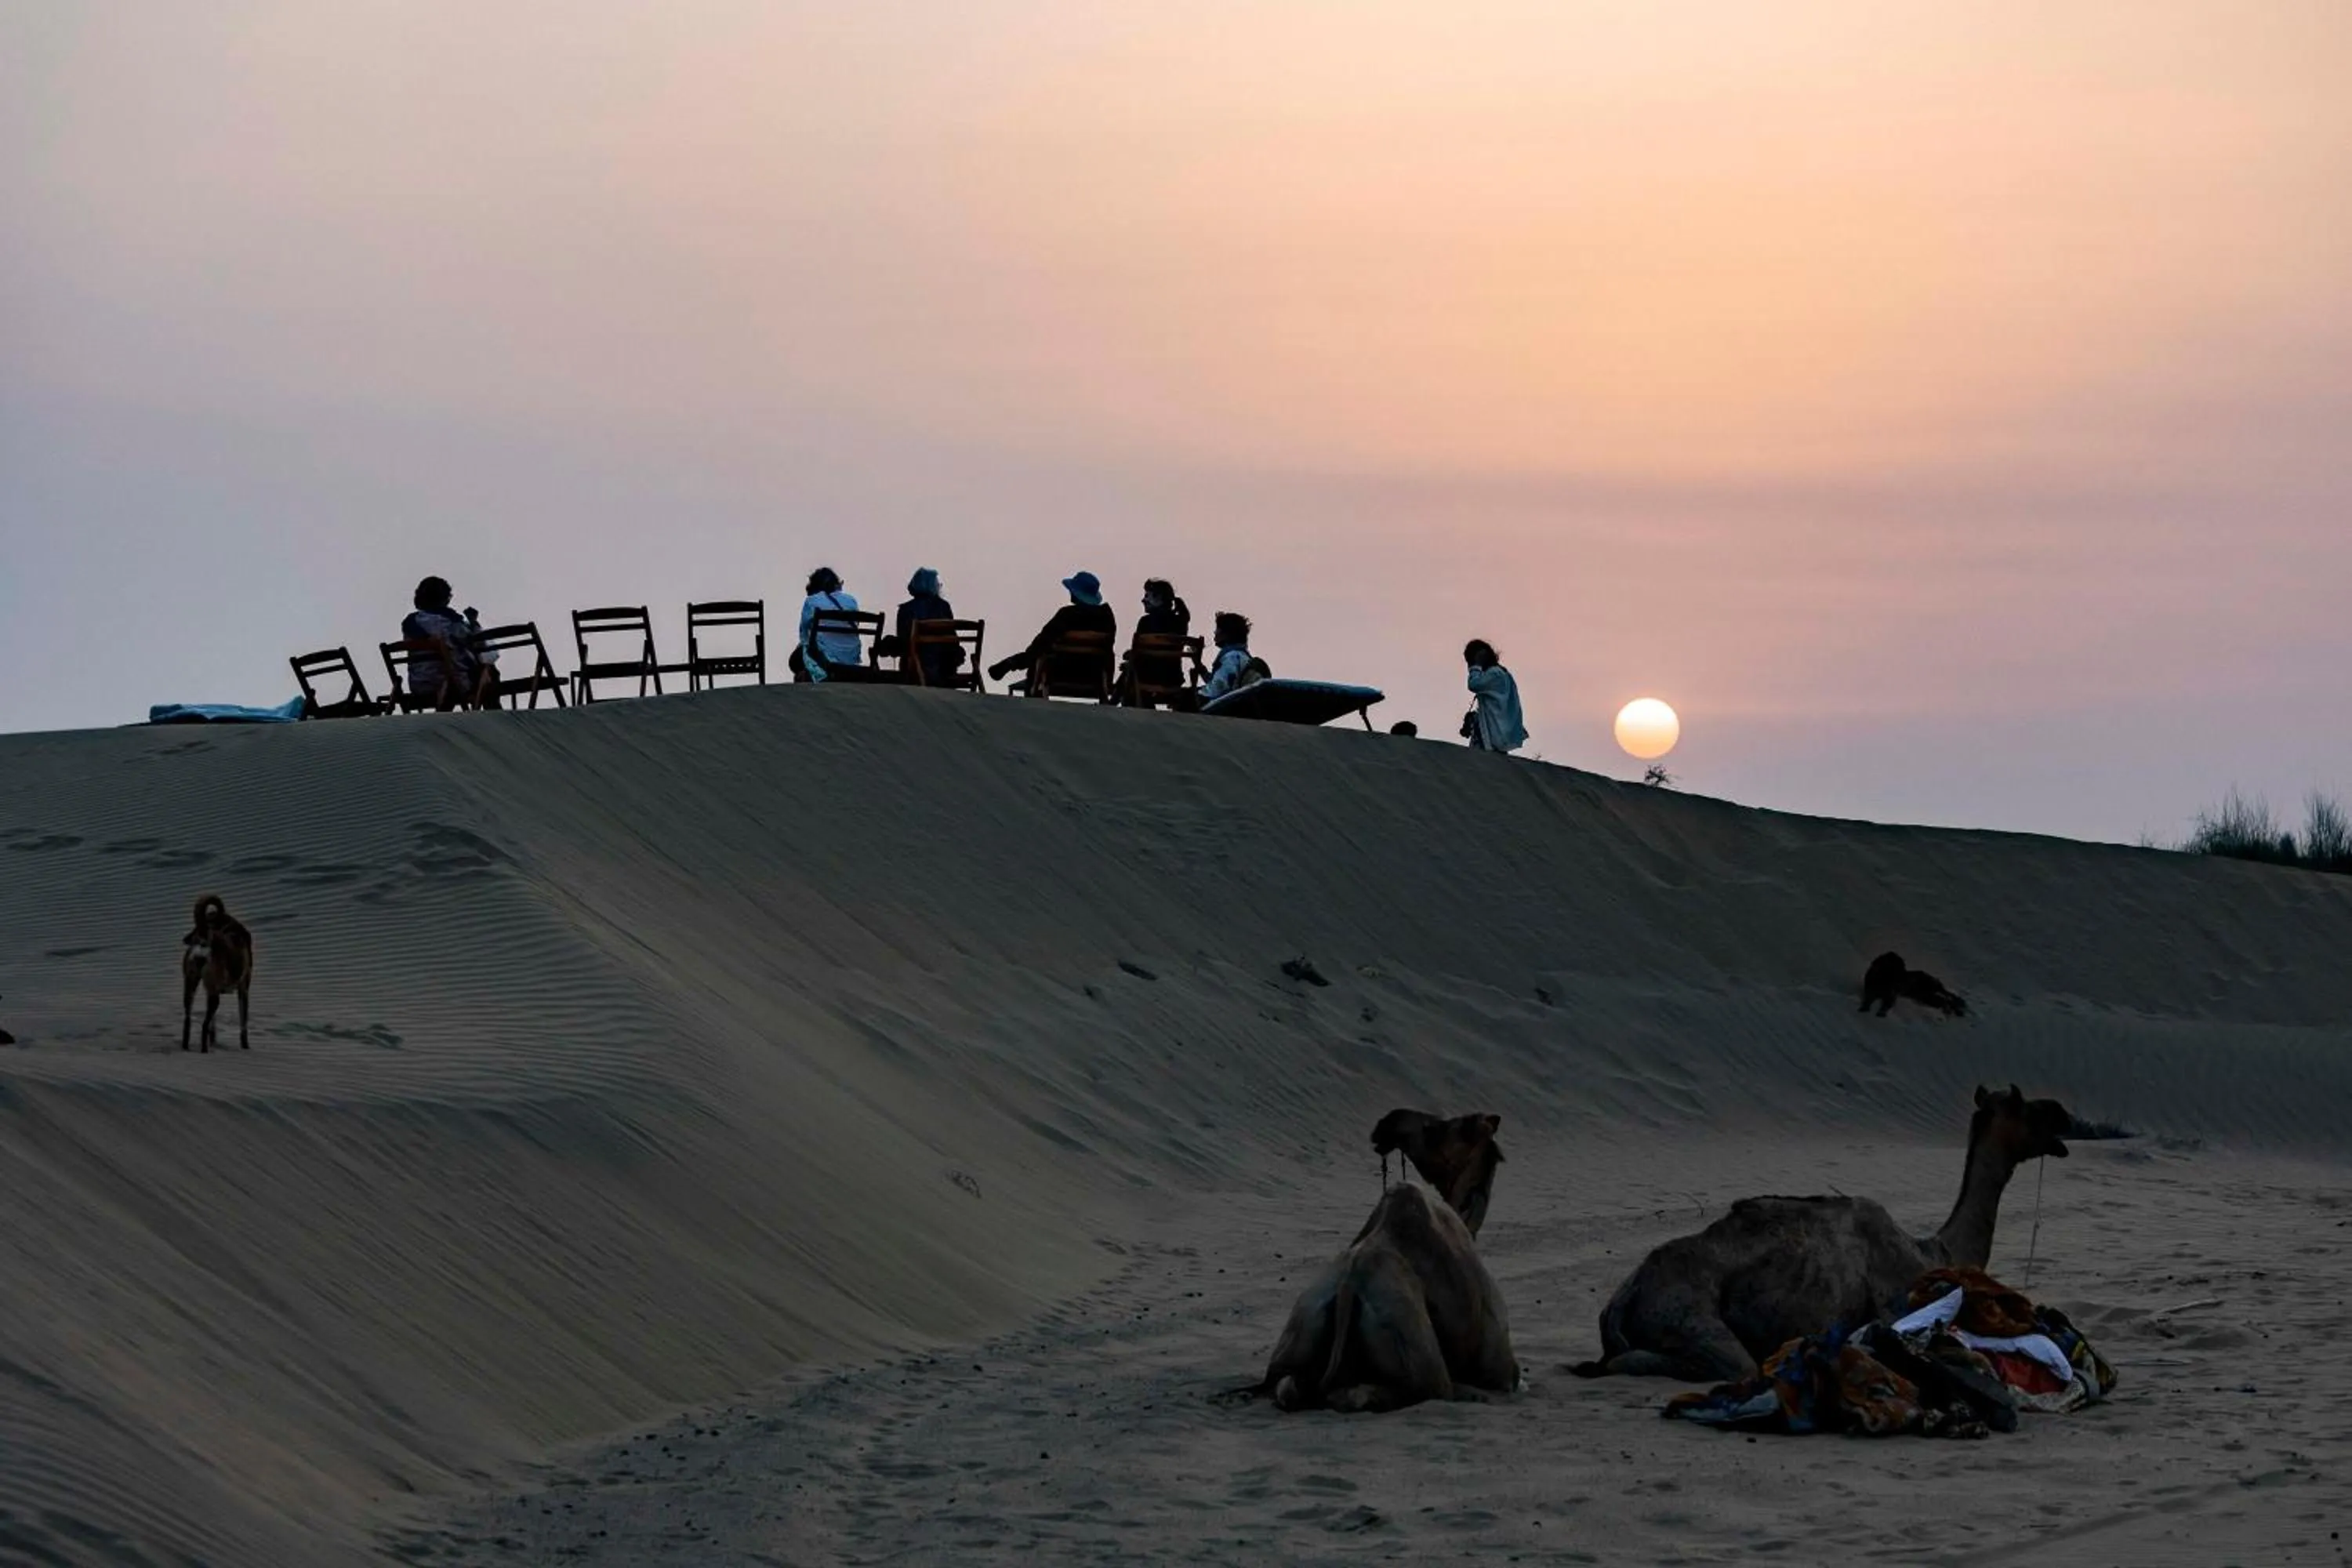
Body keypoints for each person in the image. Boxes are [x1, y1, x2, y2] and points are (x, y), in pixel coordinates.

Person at [986, 571, 1116, 691]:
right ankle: (1016, 662)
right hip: (1094, 673)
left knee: (1040, 651)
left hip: (1061, 672)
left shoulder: (1067, 615)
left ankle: (1015, 662)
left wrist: (1022, 659)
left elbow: (1042, 642)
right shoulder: (1107, 618)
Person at [399, 575, 497, 710]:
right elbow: (476, 646)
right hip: (451, 683)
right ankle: (495, 717)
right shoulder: (452, 622)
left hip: (420, 685)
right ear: (445, 598)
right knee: (489, 671)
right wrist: (474, 623)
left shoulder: (410, 623)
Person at [1117, 578, 1196, 705]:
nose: (1143, 600)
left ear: (1159, 598)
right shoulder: (1181, 622)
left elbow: (1142, 654)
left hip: (1149, 677)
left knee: (1130, 670)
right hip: (1173, 678)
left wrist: (1130, 656)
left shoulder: (1146, 622)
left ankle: (1113, 703)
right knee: (1132, 669)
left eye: (1147, 596)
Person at [893, 567, 964, 686]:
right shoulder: (944, 607)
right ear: (932, 585)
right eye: (938, 584)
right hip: (944, 667)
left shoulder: (905, 609)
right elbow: (953, 640)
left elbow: (903, 640)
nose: (939, 587)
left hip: (916, 666)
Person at [797, 567, 866, 683]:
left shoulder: (812, 601)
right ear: (836, 584)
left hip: (825, 662)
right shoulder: (851, 601)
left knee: (795, 659)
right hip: (851, 659)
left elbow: (804, 636)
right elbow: (855, 625)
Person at [1461, 639, 1526, 753]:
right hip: (1494, 732)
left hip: (1494, 734)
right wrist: (1474, 719)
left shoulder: (1495, 674)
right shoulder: (1499, 674)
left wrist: (1476, 666)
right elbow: (1493, 706)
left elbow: (1474, 685)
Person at [1194, 612, 1268, 705]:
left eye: (1218, 629)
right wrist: (1201, 668)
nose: (1215, 632)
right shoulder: (1241, 656)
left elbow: (1219, 687)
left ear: (1225, 634)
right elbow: (1225, 682)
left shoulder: (1231, 657)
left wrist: (1194, 696)